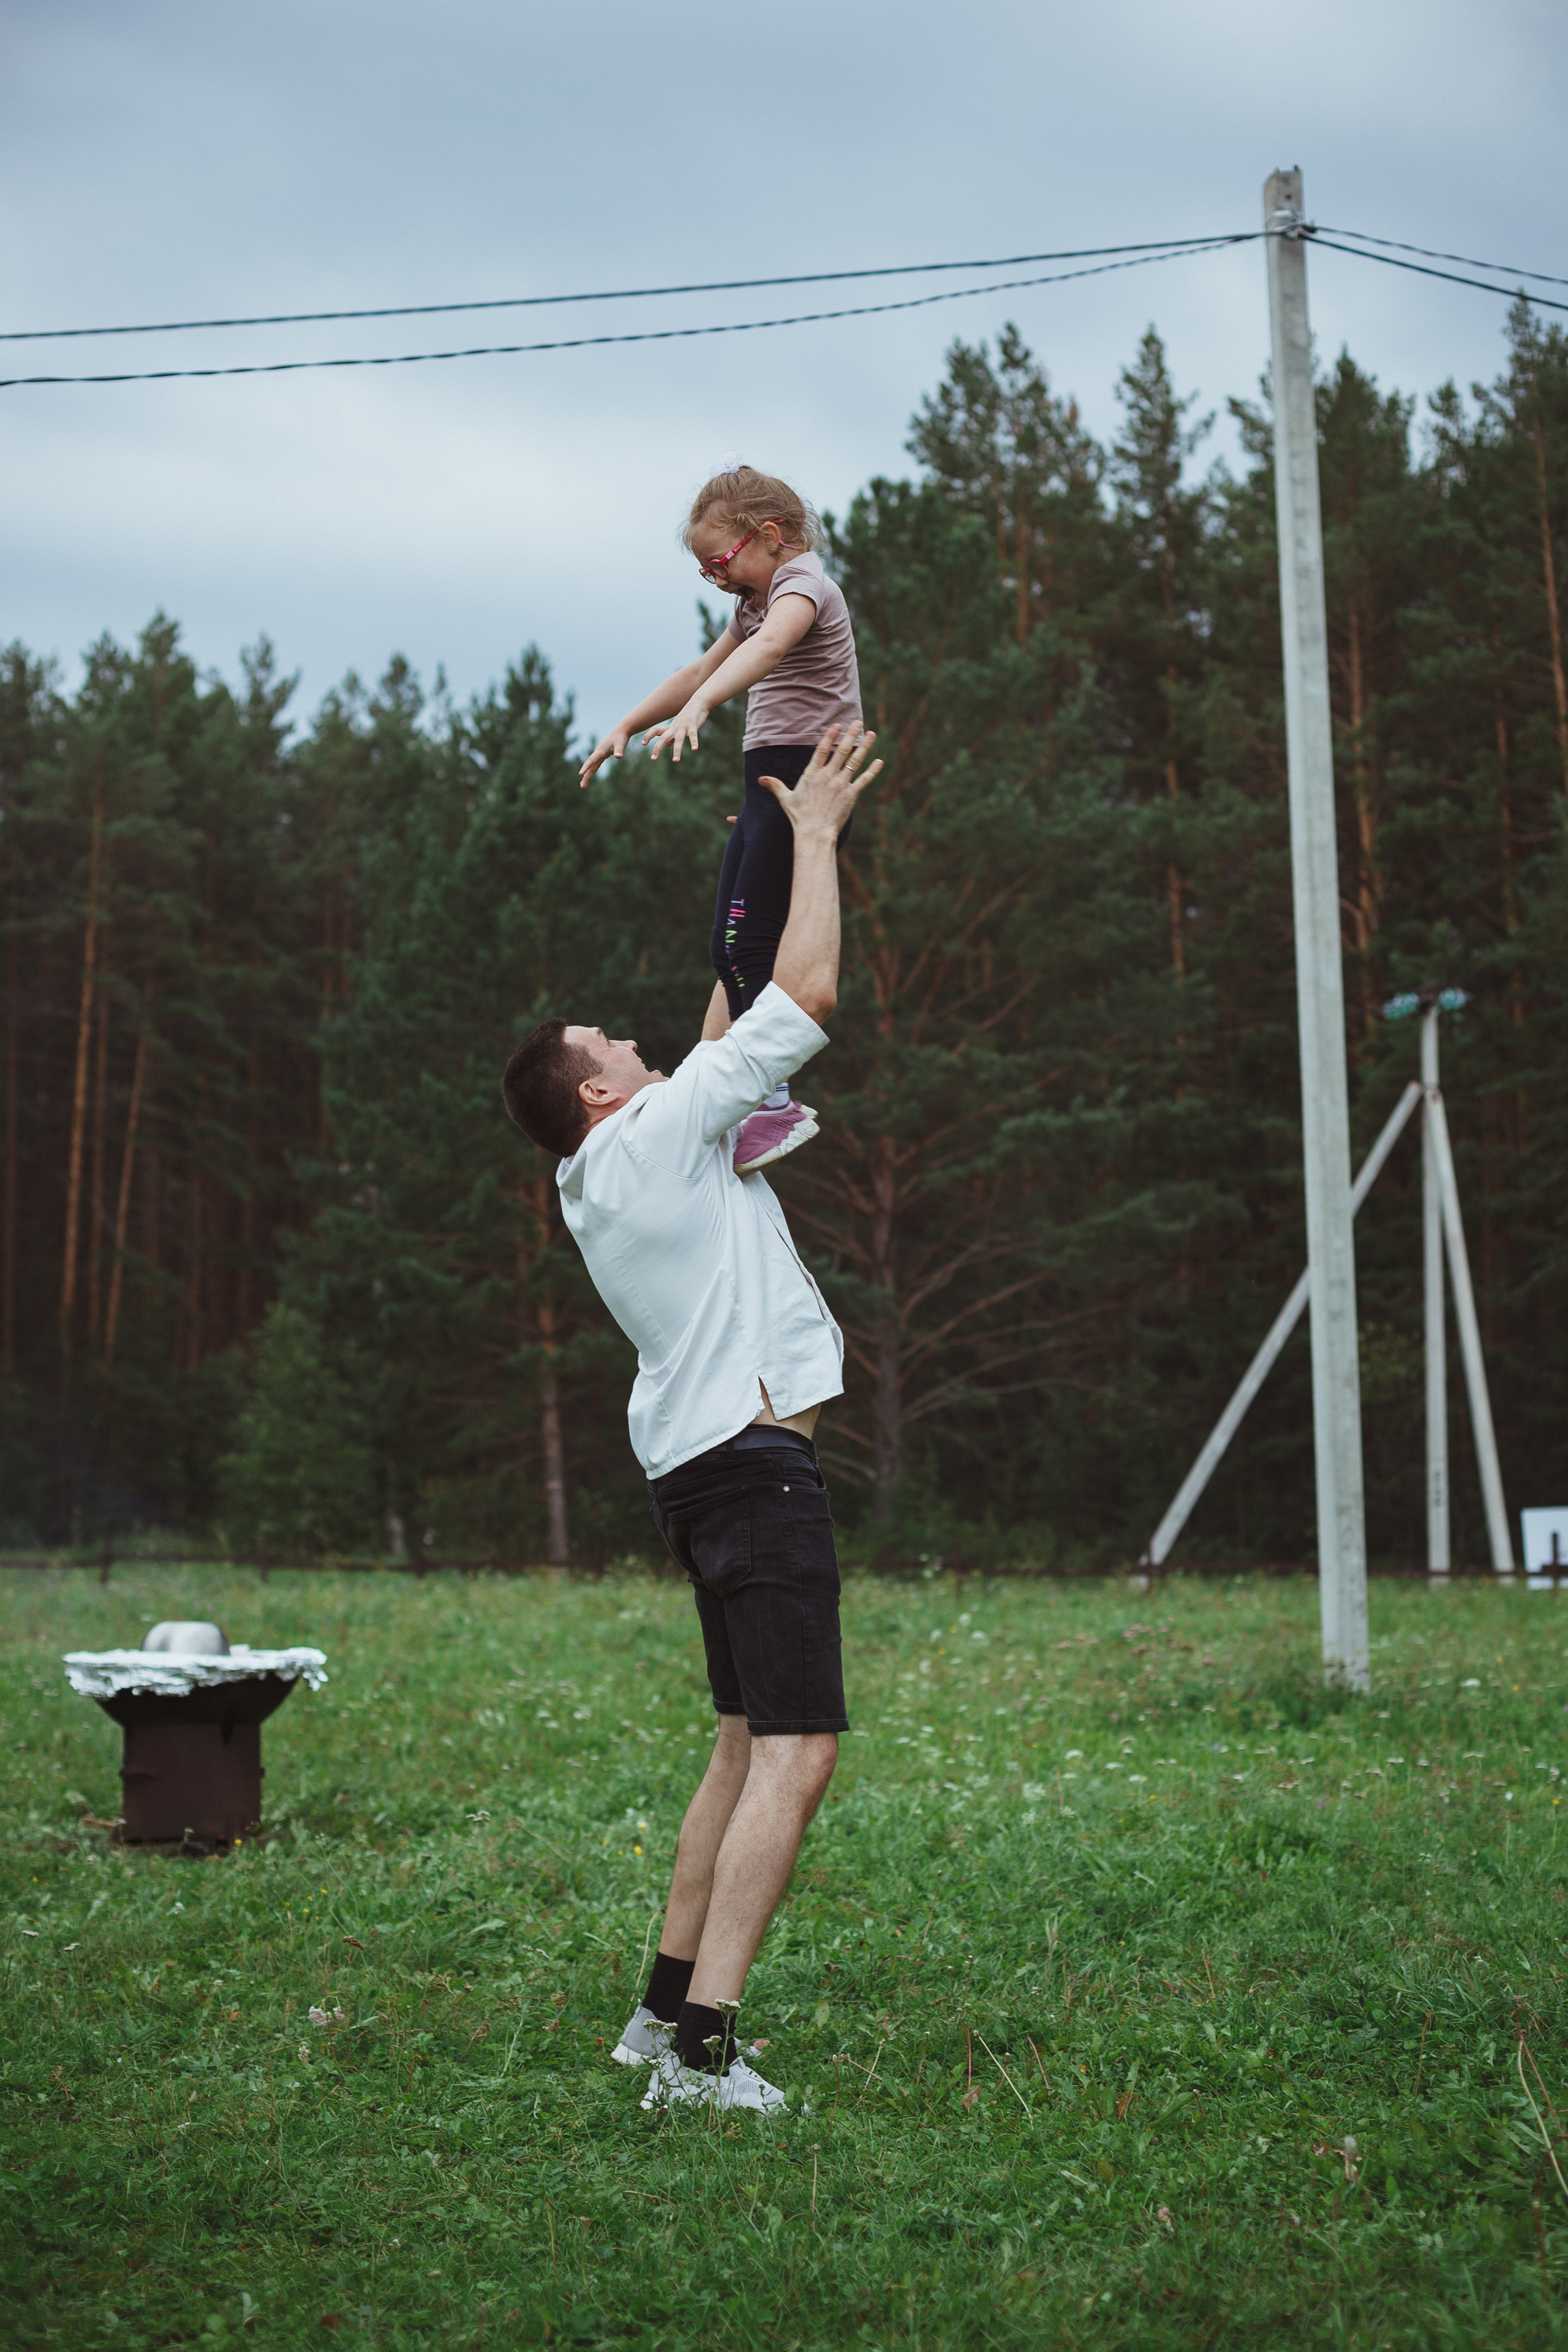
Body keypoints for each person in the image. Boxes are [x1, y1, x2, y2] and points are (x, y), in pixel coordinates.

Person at [502, 724, 880, 2113]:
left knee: (738, 1739)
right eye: (608, 1042)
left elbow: (725, 1021)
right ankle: (706, 2053)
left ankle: (658, 2014)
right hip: (754, 1469)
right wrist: (819, 836)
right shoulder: (658, 1134)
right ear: (599, 1092)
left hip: (697, 1468)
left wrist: (753, 860)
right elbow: (804, 995)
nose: (632, 1036)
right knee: (797, 1748)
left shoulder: (598, 1170)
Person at [576, 466, 862, 1180]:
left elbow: (769, 652)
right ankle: (734, 1091)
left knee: (747, 941)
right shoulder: (754, 605)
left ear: (769, 535)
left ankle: (772, 1101)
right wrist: (627, 722)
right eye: (706, 572)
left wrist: (702, 709)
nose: (718, 580)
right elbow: (698, 669)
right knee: (724, 946)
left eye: (721, 563)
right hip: (769, 784)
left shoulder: (803, 588)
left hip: (801, 782)